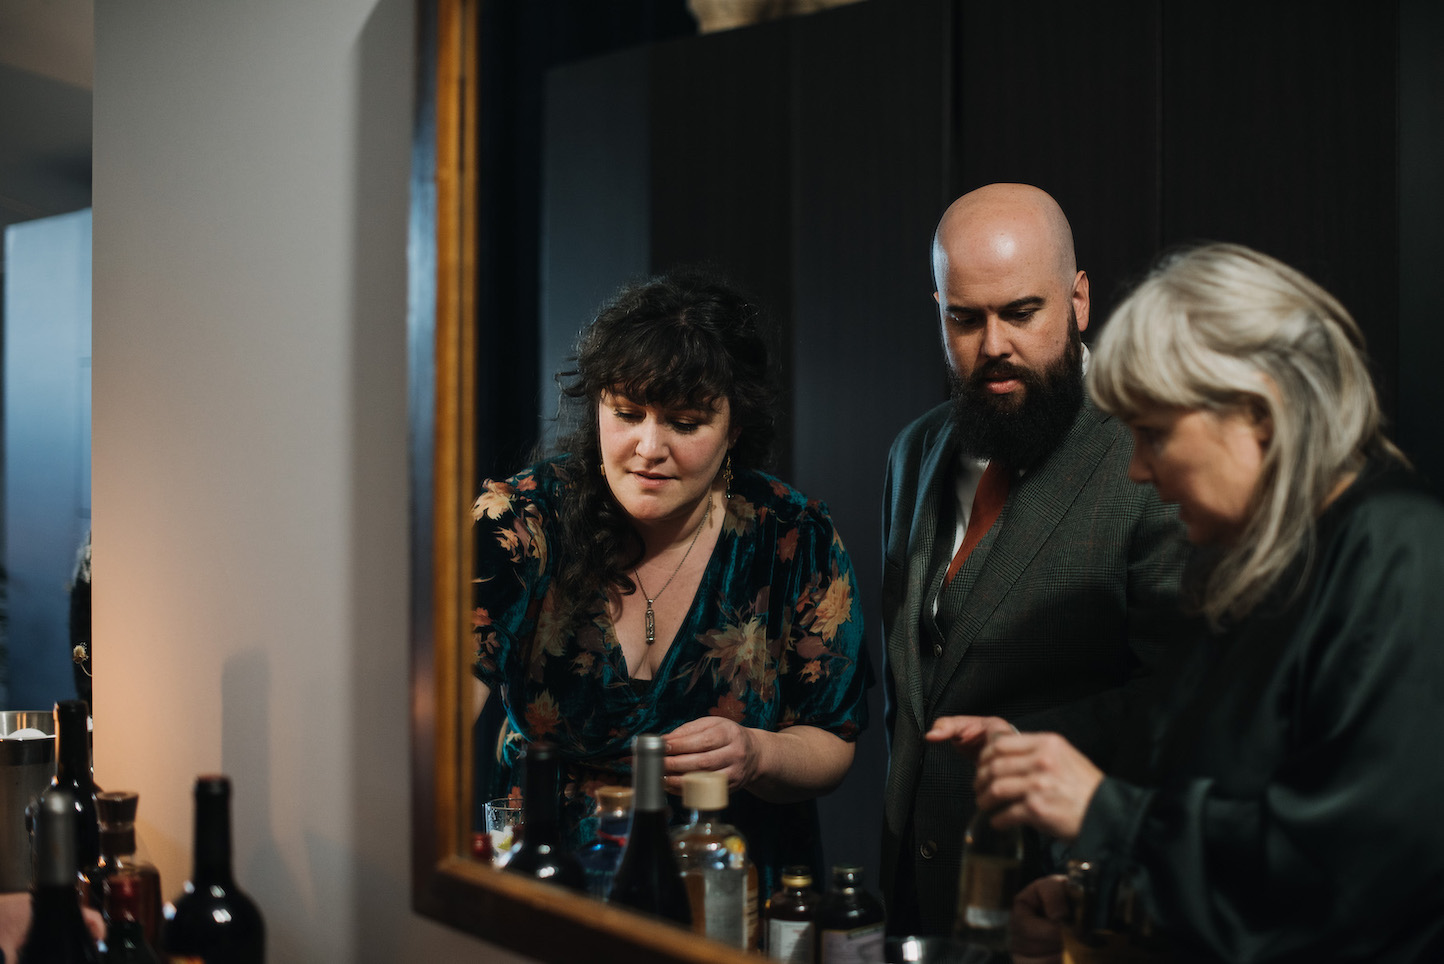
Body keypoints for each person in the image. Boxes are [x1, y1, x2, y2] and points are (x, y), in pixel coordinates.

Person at [968, 243, 1444, 961]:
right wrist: (1108, 898)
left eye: (1154, 434)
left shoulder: (1398, 551)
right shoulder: (1253, 563)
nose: (1137, 470)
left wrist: (1107, 818)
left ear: (1258, 412)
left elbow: (1350, 879)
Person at [470, 270, 871, 898]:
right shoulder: (522, 521)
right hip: (547, 873)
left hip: (723, 880)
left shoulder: (794, 537)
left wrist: (758, 754)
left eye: (685, 423)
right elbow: (437, 705)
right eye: (627, 414)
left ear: (734, 429)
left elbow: (833, 741)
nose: (648, 447)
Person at [880, 183, 1191, 934]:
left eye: (1022, 313)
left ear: (1078, 301)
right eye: (965, 319)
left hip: (1065, 906)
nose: (994, 345)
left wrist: (1034, 744)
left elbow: (1185, 699)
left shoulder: (1153, 454)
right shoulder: (913, 452)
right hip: (914, 908)